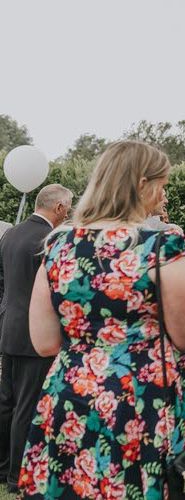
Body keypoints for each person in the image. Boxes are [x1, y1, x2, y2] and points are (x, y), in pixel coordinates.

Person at [16, 141, 185, 498]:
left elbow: (44, 341)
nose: (164, 195)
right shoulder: (159, 246)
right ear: (142, 184)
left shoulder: (57, 245)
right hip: (141, 401)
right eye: (163, 184)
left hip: (71, 398)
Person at [0, 184, 73, 494]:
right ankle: (17, 474)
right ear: (58, 208)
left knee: (5, 402)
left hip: (8, 328)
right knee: (26, 405)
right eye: (68, 207)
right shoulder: (49, 240)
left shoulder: (10, 234)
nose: (69, 213)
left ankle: (2, 467)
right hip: (34, 333)